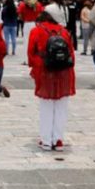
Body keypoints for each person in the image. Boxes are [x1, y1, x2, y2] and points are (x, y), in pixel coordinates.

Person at [27, 12, 76, 151]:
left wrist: (37, 67)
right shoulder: (64, 31)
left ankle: (46, 140)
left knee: (46, 107)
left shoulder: (36, 31)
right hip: (64, 73)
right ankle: (58, 139)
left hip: (45, 72)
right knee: (61, 107)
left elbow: (31, 54)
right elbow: (71, 54)